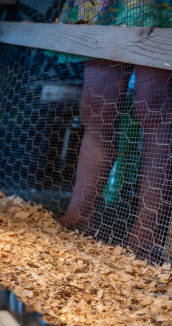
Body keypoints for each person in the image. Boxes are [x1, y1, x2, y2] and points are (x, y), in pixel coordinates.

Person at [55, 0, 172, 262]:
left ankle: (147, 235)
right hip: (106, 5)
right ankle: (79, 216)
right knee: (96, 106)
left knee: (153, 109)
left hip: (154, 6)